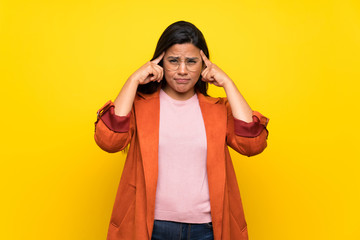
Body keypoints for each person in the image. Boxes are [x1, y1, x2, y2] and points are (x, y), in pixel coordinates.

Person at [94, 21, 269, 240]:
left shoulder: (218, 109)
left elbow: (252, 144)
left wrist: (228, 83)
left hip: (206, 229)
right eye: (174, 61)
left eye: (192, 61)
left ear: (204, 65)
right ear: (160, 62)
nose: (183, 70)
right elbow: (109, 141)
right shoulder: (139, 106)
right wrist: (133, 81)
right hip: (150, 228)